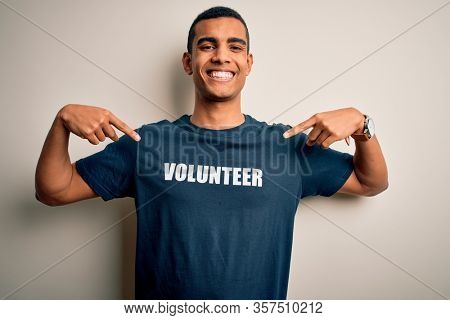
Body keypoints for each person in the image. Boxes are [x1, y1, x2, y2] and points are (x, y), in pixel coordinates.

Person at [35, 6, 388, 299]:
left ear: (248, 63)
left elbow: (371, 182)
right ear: (188, 62)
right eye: (208, 45)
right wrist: (61, 122)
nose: (222, 55)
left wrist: (362, 125)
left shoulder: (286, 146)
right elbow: (53, 190)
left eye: (235, 47)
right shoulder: (146, 144)